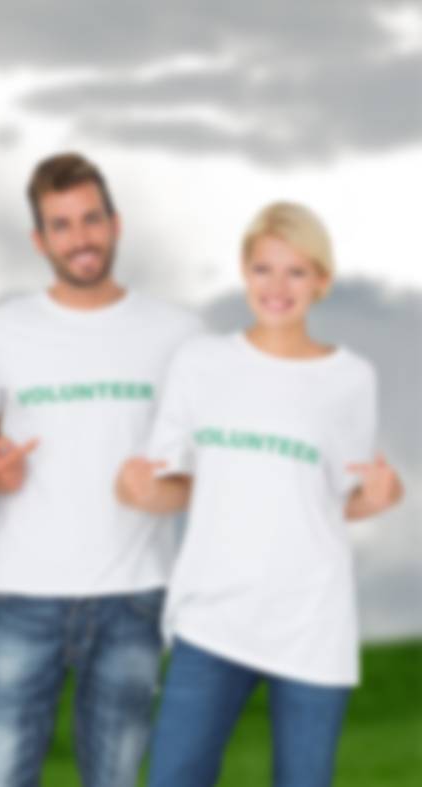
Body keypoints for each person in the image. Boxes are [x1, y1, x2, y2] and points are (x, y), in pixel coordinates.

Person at [123, 202, 404, 787]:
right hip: (212, 617)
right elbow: (172, 488)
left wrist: (380, 497)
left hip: (310, 624)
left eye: (296, 271)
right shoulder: (200, 363)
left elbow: (335, 498)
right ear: (244, 272)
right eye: (263, 269)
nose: (277, 287)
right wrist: (139, 489)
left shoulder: (351, 380)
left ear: (321, 281)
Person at [0, 153, 201, 787]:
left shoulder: (179, 333)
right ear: (40, 241)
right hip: (22, 597)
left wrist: (162, 493)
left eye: (91, 220)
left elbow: (210, 469)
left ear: (116, 224)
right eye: (62, 226)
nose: (81, 238)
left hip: (134, 600)